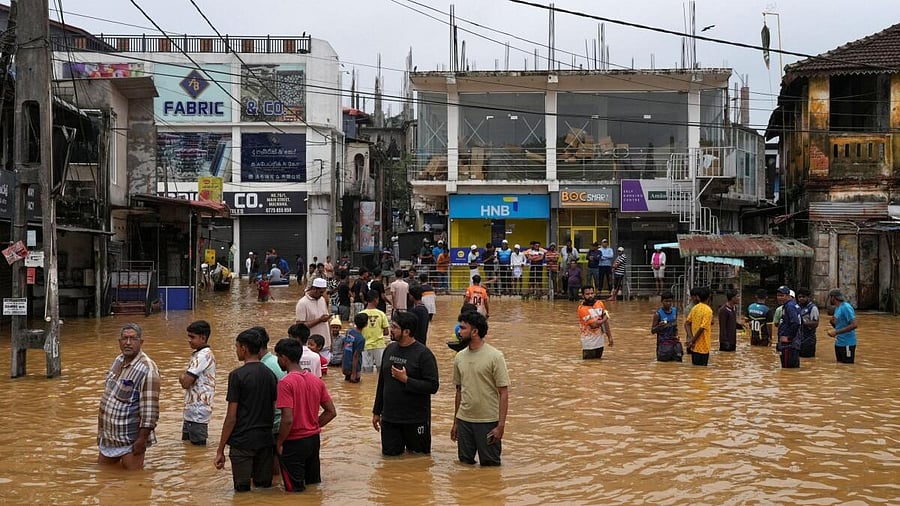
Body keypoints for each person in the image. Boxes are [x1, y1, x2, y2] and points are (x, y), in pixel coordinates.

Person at [214, 328, 279, 492]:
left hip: (242, 442)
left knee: (242, 492)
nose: (236, 351)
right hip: (265, 441)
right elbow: (274, 409)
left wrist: (220, 449)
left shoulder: (237, 376)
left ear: (244, 348)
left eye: (236, 347)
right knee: (264, 490)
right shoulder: (270, 374)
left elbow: (231, 417)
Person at [372, 311, 440, 456]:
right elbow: (382, 382)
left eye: (395, 327)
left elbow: (433, 386)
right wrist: (377, 411)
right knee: (390, 463)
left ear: (406, 331)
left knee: (418, 462)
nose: (391, 329)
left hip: (415, 419)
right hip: (390, 418)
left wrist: (406, 380)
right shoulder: (389, 349)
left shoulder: (424, 354)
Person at [274, 338, 337, 493]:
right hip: (313, 440)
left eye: (278, 357)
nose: (277, 361)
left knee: (294, 492)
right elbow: (331, 412)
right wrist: (313, 425)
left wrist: (279, 442)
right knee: (313, 486)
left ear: (284, 358)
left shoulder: (285, 383)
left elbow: (287, 419)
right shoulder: (316, 381)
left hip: (294, 442)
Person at [97, 323, 160, 470]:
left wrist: (141, 441)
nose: (128, 343)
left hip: (130, 440)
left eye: (133, 338)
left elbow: (150, 412)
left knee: (134, 480)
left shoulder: (148, 370)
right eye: (124, 338)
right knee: (103, 475)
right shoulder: (118, 360)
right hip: (109, 437)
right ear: (119, 341)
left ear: (141, 342)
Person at [451, 311, 510, 466]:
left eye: (463, 328)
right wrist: (455, 422)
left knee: (490, 468)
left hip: (488, 422)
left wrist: (501, 426)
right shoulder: (459, 357)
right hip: (464, 420)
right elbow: (459, 391)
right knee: (464, 466)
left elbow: (503, 392)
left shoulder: (495, 356)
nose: (459, 331)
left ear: (475, 332)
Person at [180, 320, 216, 446]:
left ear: (203, 338)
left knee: (197, 449)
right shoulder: (199, 354)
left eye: (192, 337)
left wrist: (182, 376)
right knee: (188, 449)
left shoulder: (203, 356)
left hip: (198, 413)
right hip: (192, 411)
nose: (189, 340)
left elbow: (185, 382)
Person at [295, 278, 332, 349]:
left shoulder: (322, 300)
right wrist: (319, 320)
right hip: (312, 347)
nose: (322, 294)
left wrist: (331, 342)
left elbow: (327, 323)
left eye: (323, 292)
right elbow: (299, 326)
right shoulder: (302, 303)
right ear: (314, 289)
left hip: (326, 344)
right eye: (321, 292)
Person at [578, 286, 613, 359]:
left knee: (597, 364)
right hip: (588, 343)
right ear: (583, 296)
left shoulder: (599, 303)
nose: (590, 295)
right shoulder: (582, 309)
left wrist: (609, 337)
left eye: (592, 293)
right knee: (588, 365)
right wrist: (605, 318)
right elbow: (593, 325)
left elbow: (605, 323)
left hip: (600, 342)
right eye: (587, 294)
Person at [361, 290, 389, 373]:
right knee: (381, 372)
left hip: (365, 347)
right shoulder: (381, 314)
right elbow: (386, 332)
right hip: (379, 346)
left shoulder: (361, 314)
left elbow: (358, 332)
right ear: (376, 299)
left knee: (366, 372)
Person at [827, 289, 858, 364]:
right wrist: (832, 323)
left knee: (848, 368)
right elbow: (839, 326)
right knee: (840, 367)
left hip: (848, 344)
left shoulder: (846, 307)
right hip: (839, 343)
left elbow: (854, 325)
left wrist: (836, 332)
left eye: (829, 297)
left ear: (833, 298)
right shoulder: (837, 308)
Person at [684, 286, 713, 366]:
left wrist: (691, 338)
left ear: (698, 297)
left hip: (694, 347)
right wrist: (692, 340)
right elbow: (702, 328)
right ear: (709, 297)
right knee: (702, 372)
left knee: (695, 369)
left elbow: (687, 323)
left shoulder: (694, 308)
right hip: (704, 346)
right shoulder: (708, 310)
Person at [775, 286, 802, 368]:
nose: (779, 298)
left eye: (782, 295)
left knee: (788, 369)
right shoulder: (792, 305)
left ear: (788, 296)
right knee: (791, 369)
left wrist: (789, 337)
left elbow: (796, 323)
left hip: (789, 344)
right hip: (792, 342)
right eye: (778, 295)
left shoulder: (789, 306)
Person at [651, 292, 682, 362]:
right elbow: (652, 331)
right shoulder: (658, 314)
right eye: (666, 301)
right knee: (662, 363)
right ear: (662, 301)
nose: (668, 303)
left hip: (674, 343)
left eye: (670, 301)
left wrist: (677, 335)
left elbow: (675, 326)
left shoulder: (675, 311)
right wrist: (659, 326)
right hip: (663, 344)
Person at [343, 313, 368, 383]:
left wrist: (343, 365)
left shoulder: (349, 332)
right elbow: (356, 356)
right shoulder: (361, 339)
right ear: (366, 324)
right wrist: (354, 373)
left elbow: (345, 348)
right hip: (355, 368)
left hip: (346, 365)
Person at [796, 288, 819, 358]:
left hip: (808, 340)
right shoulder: (797, 307)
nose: (801, 299)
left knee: (808, 360)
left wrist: (802, 322)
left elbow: (816, 323)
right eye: (799, 297)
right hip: (798, 339)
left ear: (808, 297)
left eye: (803, 297)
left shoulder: (812, 308)